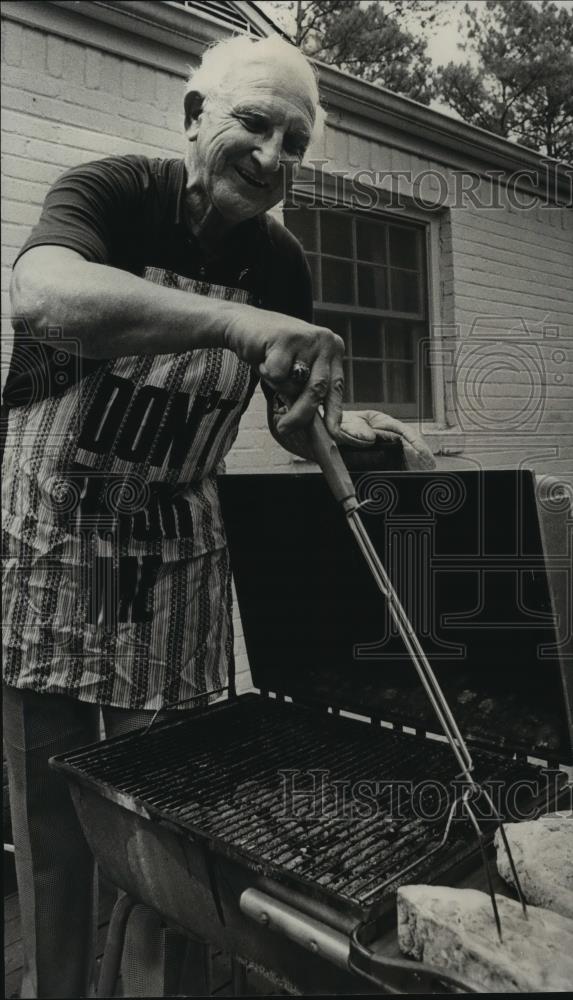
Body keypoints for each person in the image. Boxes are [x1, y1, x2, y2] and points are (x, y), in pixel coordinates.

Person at [2, 33, 434, 999]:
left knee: (172, 806)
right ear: (195, 115)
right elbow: (40, 297)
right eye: (252, 123)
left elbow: (289, 422)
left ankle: (157, 984)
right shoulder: (113, 192)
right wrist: (236, 322)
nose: (273, 158)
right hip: (55, 538)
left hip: (172, 547)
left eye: (295, 142)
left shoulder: (276, 261)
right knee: (55, 819)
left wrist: (345, 430)